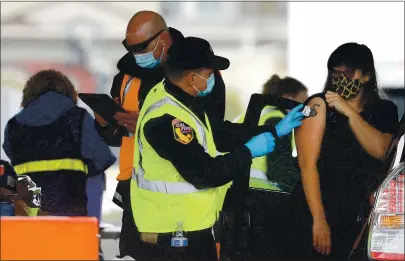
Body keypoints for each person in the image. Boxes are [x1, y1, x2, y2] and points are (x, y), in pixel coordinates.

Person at [129, 36, 304, 261]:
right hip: (173, 237)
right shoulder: (166, 119)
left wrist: (273, 131)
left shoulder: (180, 100)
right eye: (209, 74)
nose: (212, 80)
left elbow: (219, 134)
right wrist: (248, 152)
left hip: (189, 230)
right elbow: (204, 173)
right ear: (192, 77)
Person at [94, 11, 230, 259]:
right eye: (130, 47)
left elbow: (212, 128)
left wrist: (148, 124)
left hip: (185, 204)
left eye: (142, 47)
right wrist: (106, 124)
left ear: (163, 39)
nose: (136, 54)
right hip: (137, 194)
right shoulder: (125, 77)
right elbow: (115, 139)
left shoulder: (199, 70)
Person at [287, 42, 399, 260]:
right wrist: (319, 220)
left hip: (360, 215)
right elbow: (307, 166)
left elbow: (381, 151)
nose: (341, 78)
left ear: (366, 76)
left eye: (348, 72)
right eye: (335, 72)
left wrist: (348, 111)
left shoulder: (384, 110)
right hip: (318, 210)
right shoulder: (318, 105)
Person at [2, 69, 116, 217]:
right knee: (96, 175)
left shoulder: (13, 125)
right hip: (72, 214)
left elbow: (11, 155)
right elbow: (102, 158)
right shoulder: (78, 118)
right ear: (68, 93)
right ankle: (93, 227)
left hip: (29, 215)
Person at [225, 75, 308, 260]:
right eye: (302, 102)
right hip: (257, 199)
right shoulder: (276, 119)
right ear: (288, 97)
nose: (304, 109)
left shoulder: (258, 112)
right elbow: (279, 171)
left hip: (235, 193)